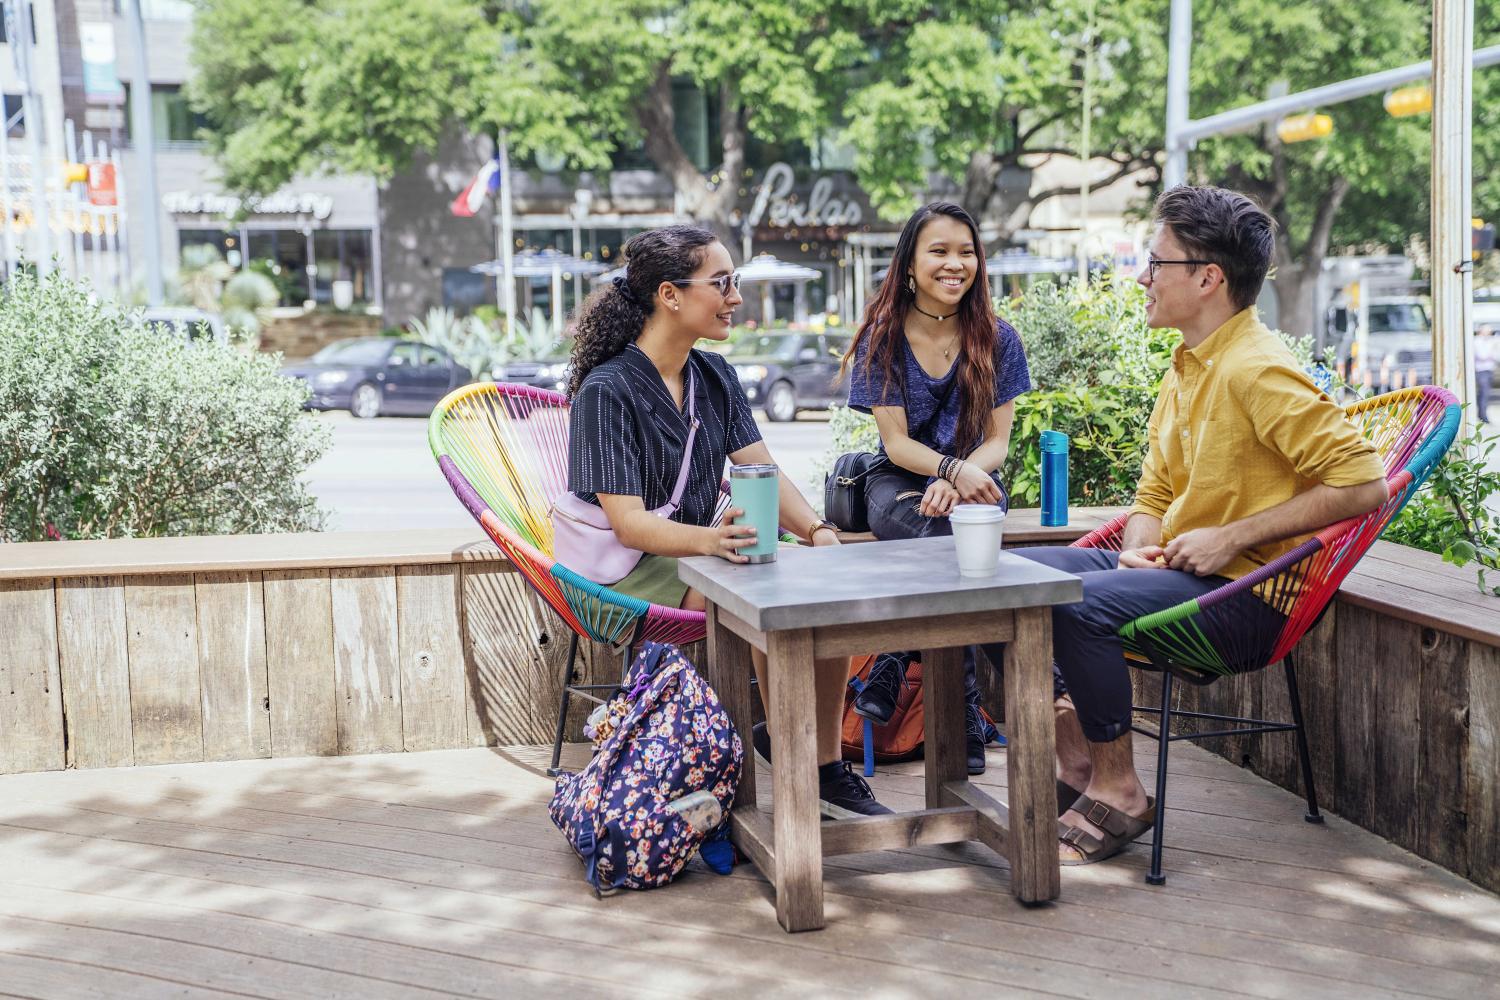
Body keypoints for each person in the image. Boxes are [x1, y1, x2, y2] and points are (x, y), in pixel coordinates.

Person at [1011, 186, 1389, 865]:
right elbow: (1155, 490)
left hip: (1248, 595)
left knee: (1072, 606)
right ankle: (1077, 763)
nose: (1143, 277)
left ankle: (1121, 789)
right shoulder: (1186, 364)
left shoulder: (1257, 368)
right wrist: (1139, 551)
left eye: (1155, 263)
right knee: (1001, 582)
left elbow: (1364, 483)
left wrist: (1233, 536)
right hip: (1183, 574)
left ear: (1207, 277)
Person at [563, 225, 891, 818]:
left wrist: (817, 532)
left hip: (697, 556)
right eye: (722, 283)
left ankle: (818, 764)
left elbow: (761, 470)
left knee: (814, 579)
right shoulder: (605, 391)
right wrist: (716, 541)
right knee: (769, 589)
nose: (736, 297)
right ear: (670, 294)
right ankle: (802, 765)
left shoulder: (714, 378)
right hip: (622, 576)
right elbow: (631, 526)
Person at [840, 202, 1032, 775]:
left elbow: (997, 441)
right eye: (939, 251)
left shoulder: (998, 338)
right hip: (896, 486)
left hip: (974, 484)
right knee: (950, 544)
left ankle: (894, 662)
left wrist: (967, 475)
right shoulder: (884, 336)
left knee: (959, 541)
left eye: (966, 251)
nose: (955, 264)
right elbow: (896, 444)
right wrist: (950, 472)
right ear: (909, 265)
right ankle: (968, 712)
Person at [1474, 325, 1495, 424]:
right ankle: (1483, 416)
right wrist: (1491, 353)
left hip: (1489, 369)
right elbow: (1482, 355)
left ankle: (1481, 414)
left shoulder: (1491, 341)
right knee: (1484, 393)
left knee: (1484, 393)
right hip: (1481, 370)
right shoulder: (1477, 341)